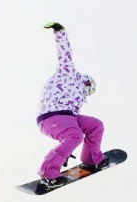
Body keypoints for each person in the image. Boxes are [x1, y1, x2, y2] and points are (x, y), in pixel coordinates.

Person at [35, 22, 108, 189]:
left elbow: (76, 117)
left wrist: (66, 148)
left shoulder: (79, 98)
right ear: (87, 83)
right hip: (51, 115)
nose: (86, 96)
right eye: (88, 92)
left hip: (69, 116)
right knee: (75, 136)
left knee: (95, 125)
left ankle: (91, 158)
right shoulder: (68, 73)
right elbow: (65, 53)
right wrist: (59, 32)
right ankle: (47, 171)